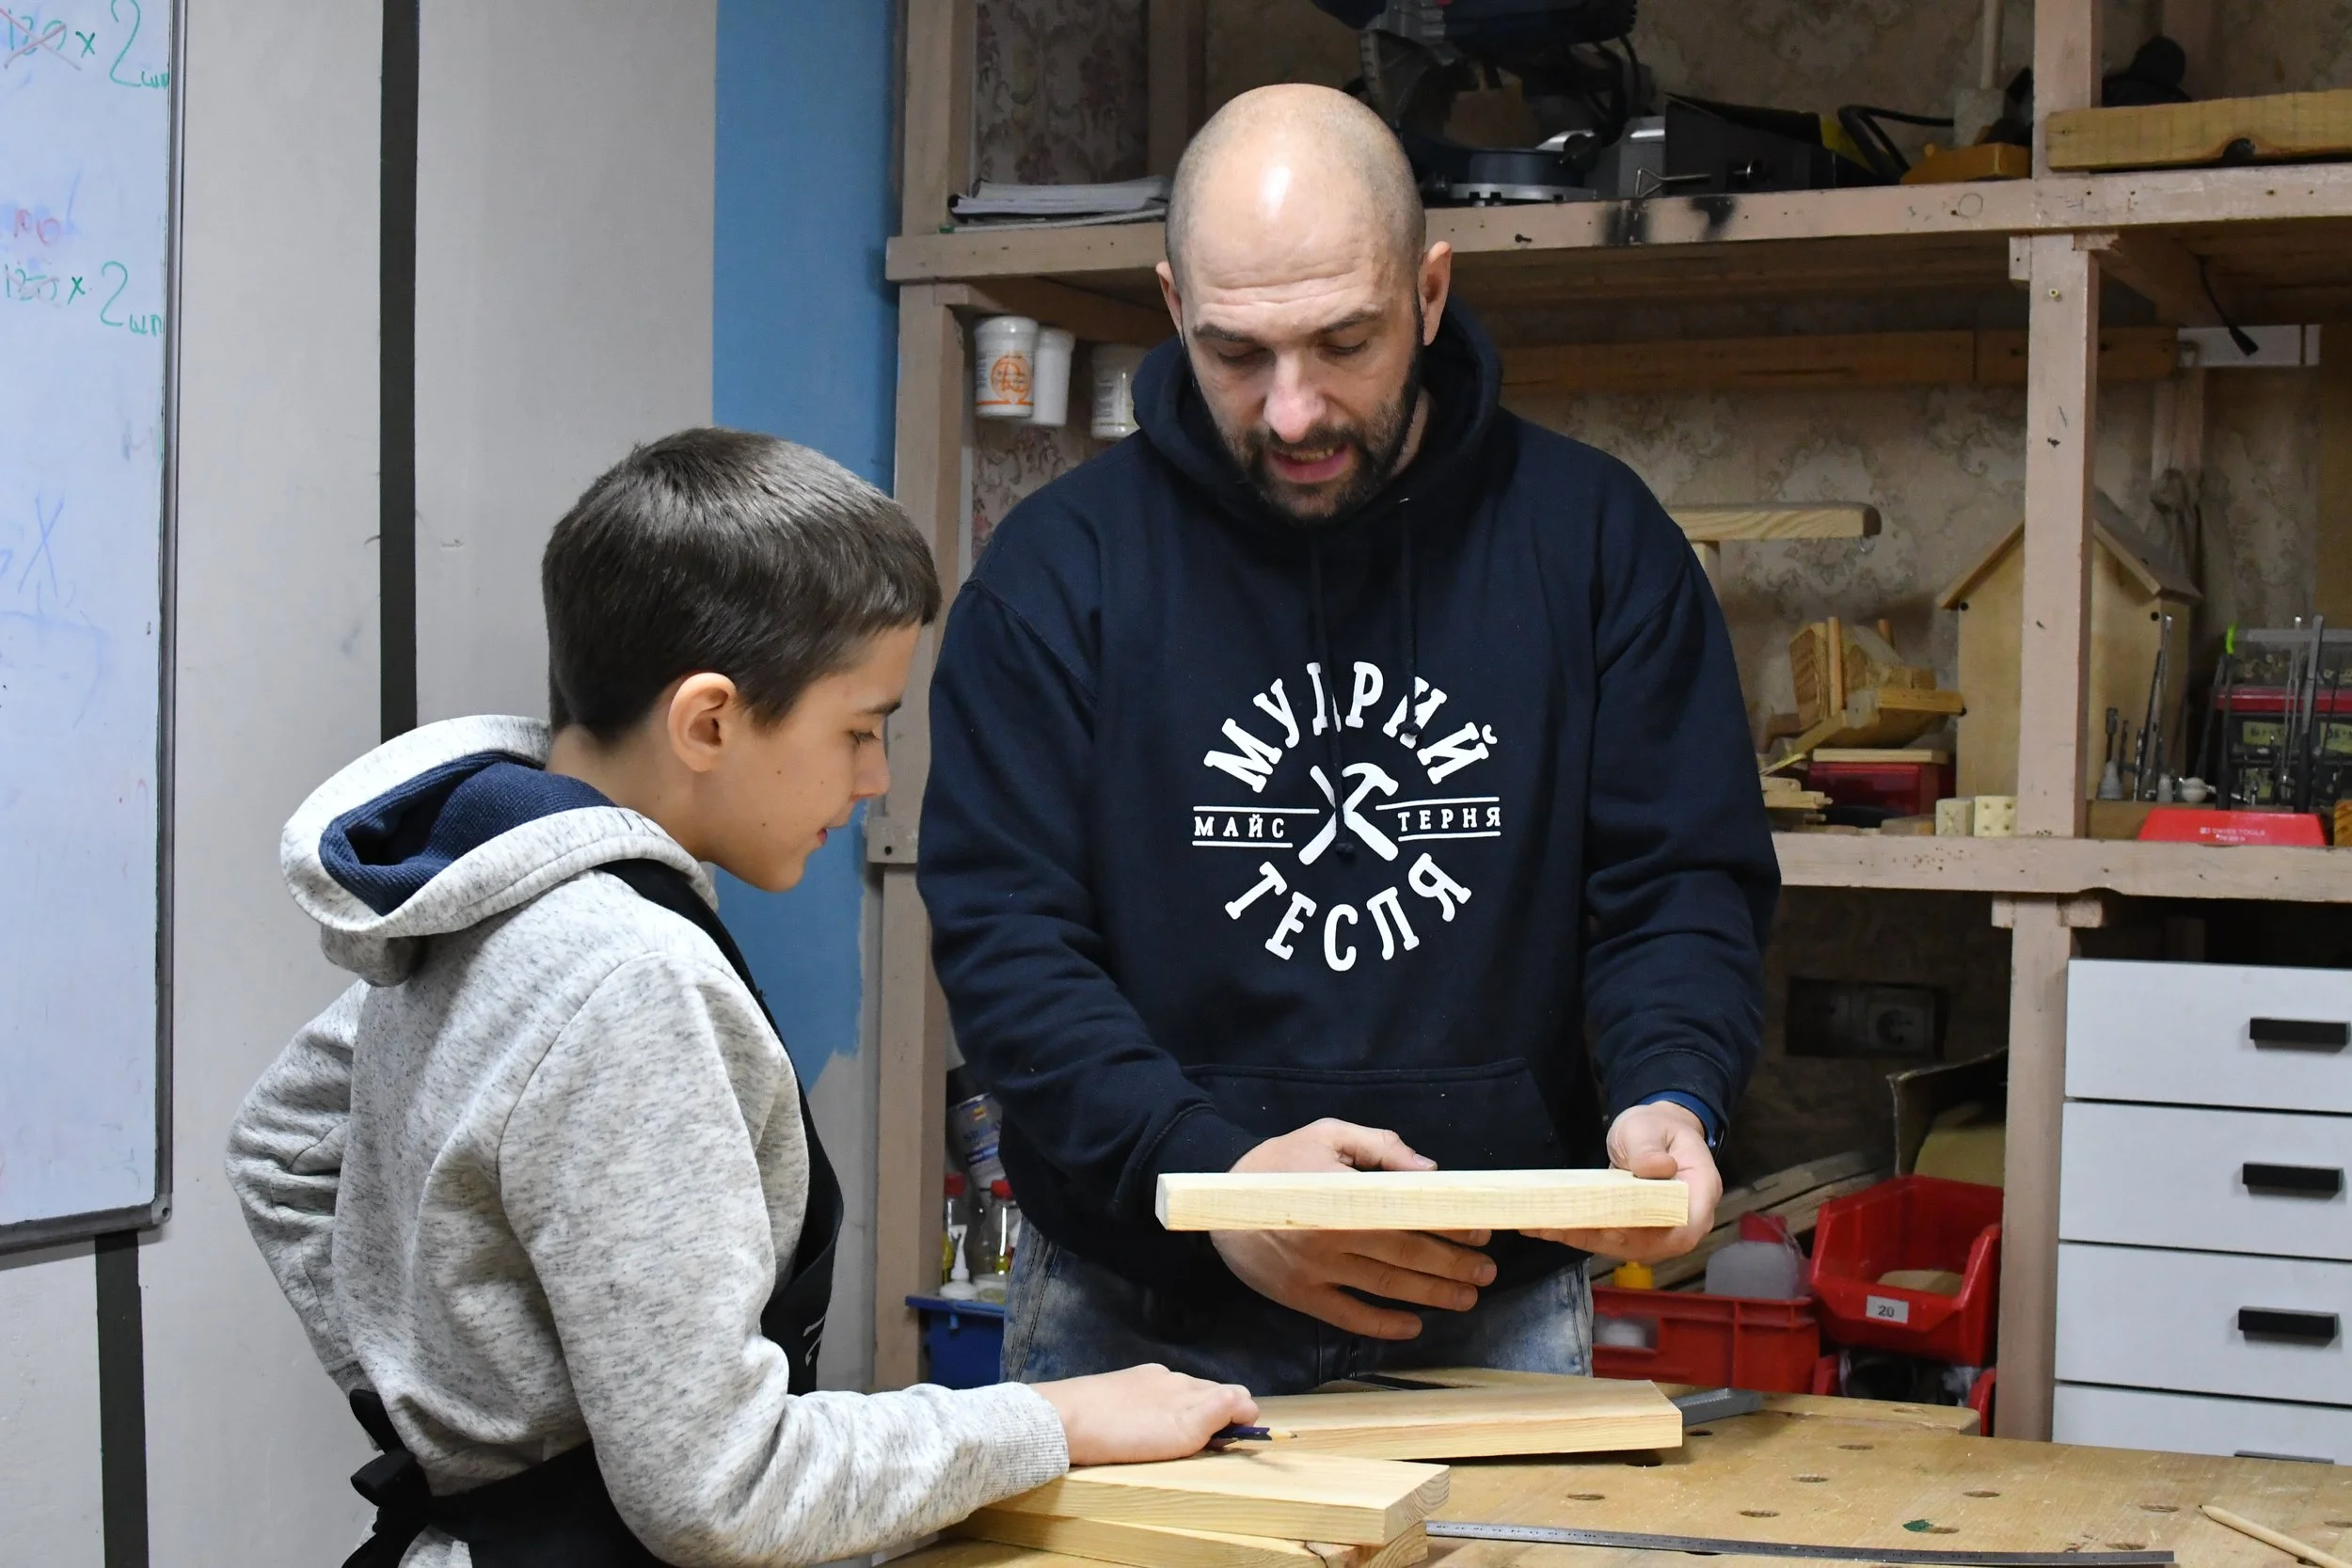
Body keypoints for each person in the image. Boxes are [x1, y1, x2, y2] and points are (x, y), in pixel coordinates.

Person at [227, 430, 1255, 1568]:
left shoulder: (495, 898)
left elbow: (282, 1142)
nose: (873, 779)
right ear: (709, 720)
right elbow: (724, 1487)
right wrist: (1053, 1420)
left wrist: (450, 1395)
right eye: (858, 729)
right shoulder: (629, 976)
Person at [919, 86, 1778, 1393]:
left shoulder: (1596, 544)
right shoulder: (1057, 573)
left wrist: (1670, 1089)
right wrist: (1204, 1175)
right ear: (1171, 307)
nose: (1293, 410)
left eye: (1344, 340)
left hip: (1485, 1293)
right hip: (1135, 1298)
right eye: (1237, 353)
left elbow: (1677, 879)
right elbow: (1006, 935)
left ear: (1431, 294)